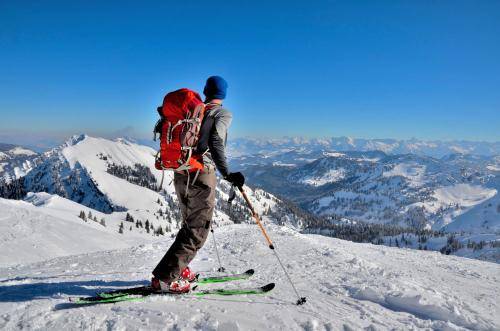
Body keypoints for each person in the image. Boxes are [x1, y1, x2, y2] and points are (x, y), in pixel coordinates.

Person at [151, 76, 245, 293]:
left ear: (205, 91)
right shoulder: (222, 113)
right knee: (198, 229)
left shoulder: (193, 111)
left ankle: (180, 268)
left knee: (189, 224)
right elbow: (216, 142)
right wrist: (228, 173)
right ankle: (165, 279)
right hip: (201, 173)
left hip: (181, 170)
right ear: (224, 94)